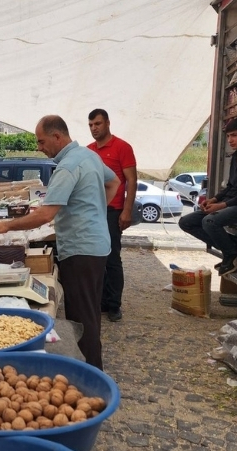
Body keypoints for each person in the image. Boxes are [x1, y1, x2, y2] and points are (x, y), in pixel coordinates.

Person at [0, 115, 120, 370]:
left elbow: (46, 214)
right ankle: (91, 366)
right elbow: (113, 182)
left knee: (82, 320)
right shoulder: (88, 155)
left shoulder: (67, 167)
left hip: (81, 250)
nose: (39, 147)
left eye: (41, 141)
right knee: (91, 313)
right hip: (97, 246)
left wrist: (6, 225)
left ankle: (89, 374)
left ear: (57, 137)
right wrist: (94, 211)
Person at [179, 117, 237, 276]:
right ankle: (234, 248)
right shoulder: (236, 157)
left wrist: (222, 205)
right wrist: (214, 199)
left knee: (209, 221)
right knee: (186, 222)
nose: (230, 140)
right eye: (228, 136)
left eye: (234, 135)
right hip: (230, 203)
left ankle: (230, 254)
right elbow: (230, 186)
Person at [87, 109, 137, 323]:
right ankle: (101, 303)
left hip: (113, 211)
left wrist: (127, 211)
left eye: (97, 123)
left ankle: (114, 305)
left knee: (112, 259)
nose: (94, 128)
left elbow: (131, 181)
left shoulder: (122, 147)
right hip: (93, 212)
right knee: (96, 258)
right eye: (90, 125)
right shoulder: (88, 151)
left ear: (108, 123)